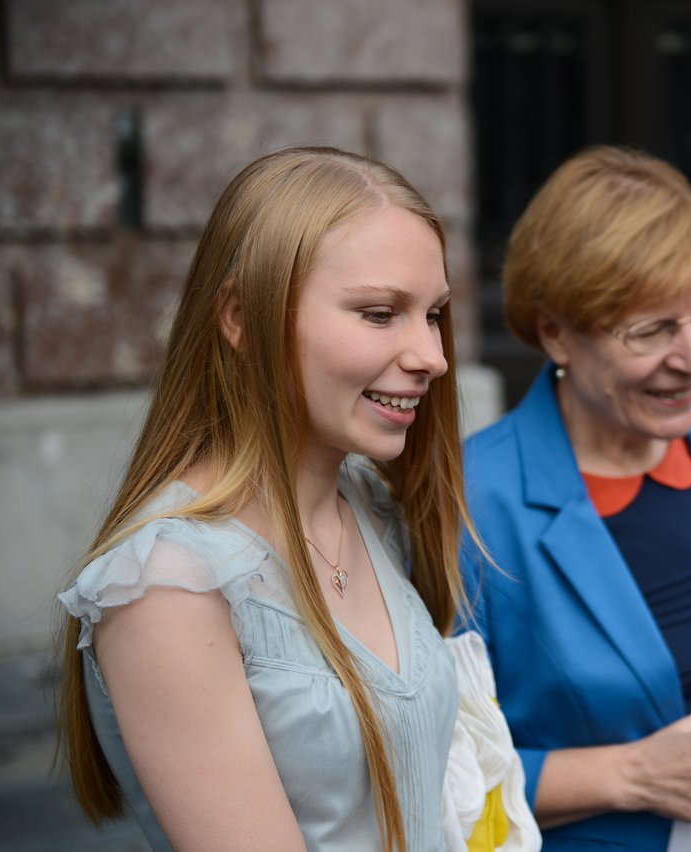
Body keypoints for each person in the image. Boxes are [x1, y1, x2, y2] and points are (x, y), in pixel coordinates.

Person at [57, 146, 475, 851]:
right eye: (380, 314)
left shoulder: (370, 503)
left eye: (432, 315)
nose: (431, 355)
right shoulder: (167, 585)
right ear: (241, 318)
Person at [459, 145, 691, 851]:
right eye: (652, 329)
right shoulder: (474, 501)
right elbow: (433, 769)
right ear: (554, 331)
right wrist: (629, 775)